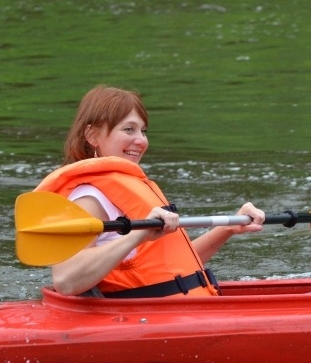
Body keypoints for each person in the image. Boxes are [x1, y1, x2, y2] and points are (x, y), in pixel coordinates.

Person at [34, 85, 265, 298]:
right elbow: (66, 281)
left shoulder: (133, 187)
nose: (141, 140)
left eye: (143, 131)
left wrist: (226, 229)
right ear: (92, 135)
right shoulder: (88, 199)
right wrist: (139, 234)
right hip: (136, 321)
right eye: (128, 129)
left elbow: (172, 269)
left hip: (178, 312)